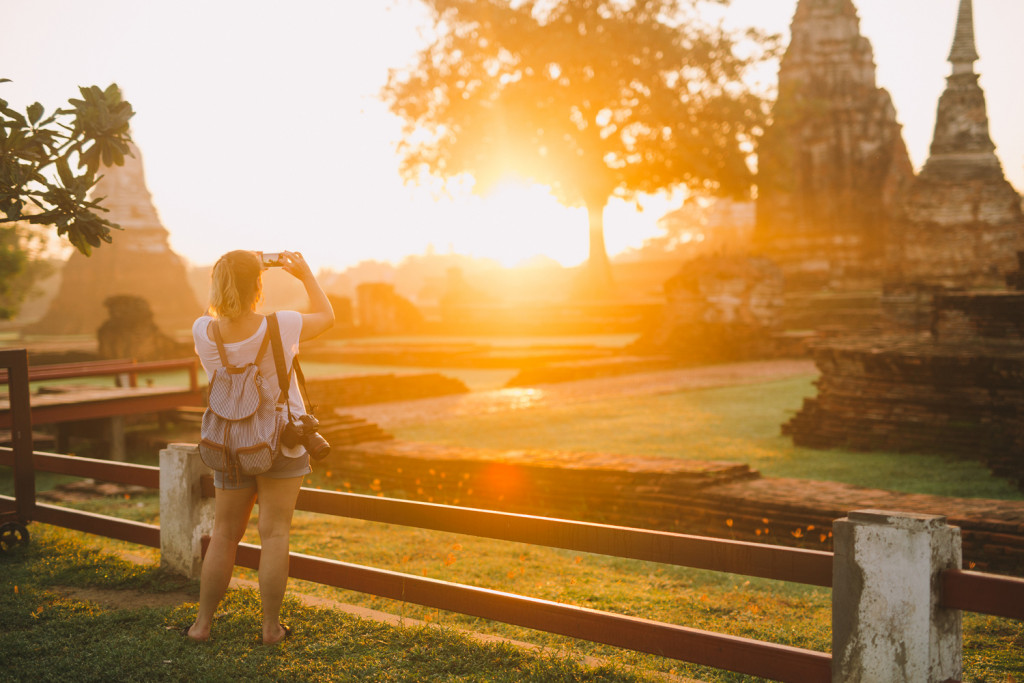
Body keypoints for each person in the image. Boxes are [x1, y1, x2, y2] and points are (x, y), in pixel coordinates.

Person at [184, 249, 334, 645]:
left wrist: (232, 274)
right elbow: (327, 316)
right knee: (275, 534)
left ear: (217, 283)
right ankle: (270, 629)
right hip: (282, 440)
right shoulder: (282, 324)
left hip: (229, 443)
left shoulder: (203, 330)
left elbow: (217, 313)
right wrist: (305, 274)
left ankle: (201, 626)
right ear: (259, 285)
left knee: (224, 534)